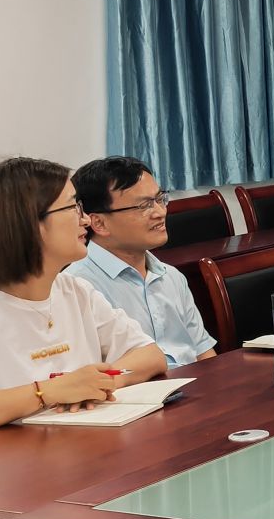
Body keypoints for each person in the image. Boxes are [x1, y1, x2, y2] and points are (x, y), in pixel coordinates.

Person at [0, 158, 167, 440]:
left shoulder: (75, 291)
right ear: (29, 223)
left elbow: (150, 355)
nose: (85, 219)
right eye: (72, 207)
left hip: (85, 448)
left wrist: (95, 384)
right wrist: (46, 392)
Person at [63, 156, 217, 368]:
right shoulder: (76, 288)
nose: (160, 212)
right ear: (99, 223)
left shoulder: (171, 276)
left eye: (160, 199)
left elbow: (204, 354)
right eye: (144, 205)